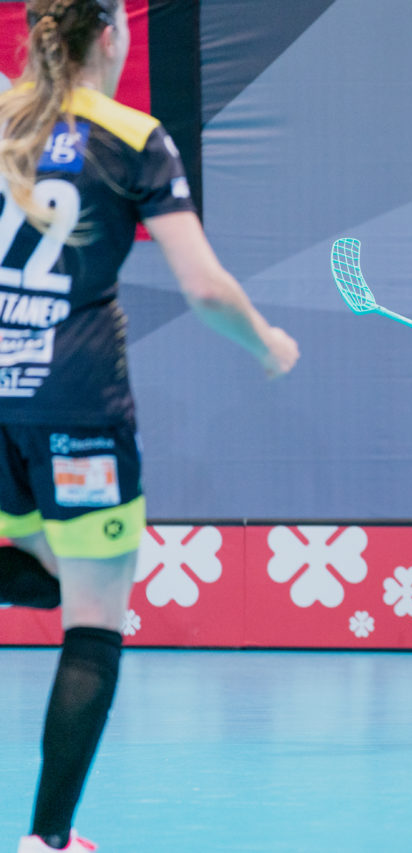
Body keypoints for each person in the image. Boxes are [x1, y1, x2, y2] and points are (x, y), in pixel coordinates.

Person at [0, 2, 299, 850]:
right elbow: (205, 287)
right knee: (93, 620)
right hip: (76, 405)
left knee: (41, 570)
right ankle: (48, 842)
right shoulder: (133, 135)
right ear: (110, 37)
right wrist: (268, 342)